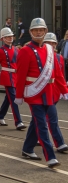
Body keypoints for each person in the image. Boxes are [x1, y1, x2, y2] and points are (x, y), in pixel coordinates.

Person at [15, 18, 68, 168]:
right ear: (31, 32)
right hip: (34, 93)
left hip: (49, 92)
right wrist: (19, 95)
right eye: (36, 30)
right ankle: (50, 157)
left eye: (41, 30)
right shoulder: (25, 51)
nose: (39, 32)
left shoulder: (50, 50)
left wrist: (64, 90)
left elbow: (57, 74)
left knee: (39, 122)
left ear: (45, 32)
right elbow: (20, 76)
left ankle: (27, 148)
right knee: (42, 125)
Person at [0, 28, 26, 130]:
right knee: (14, 98)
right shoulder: (0, 51)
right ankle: (18, 122)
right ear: (3, 39)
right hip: (7, 76)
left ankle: (0, 116)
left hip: (15, 76)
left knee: (8, 99)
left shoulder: (16, 49)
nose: (10, 38)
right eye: (7, 37)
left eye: (11, 36)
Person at [42, 32, 68, 152]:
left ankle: (33, 139)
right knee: (52, 117)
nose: (51, 45)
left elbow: (61, 75)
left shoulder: (59, 58)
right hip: (41, 91)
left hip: (55, 91)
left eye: (53, 43)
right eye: (48, 43)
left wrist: (64, 90)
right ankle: (59, 143)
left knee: (39, 118)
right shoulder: (40, 56)